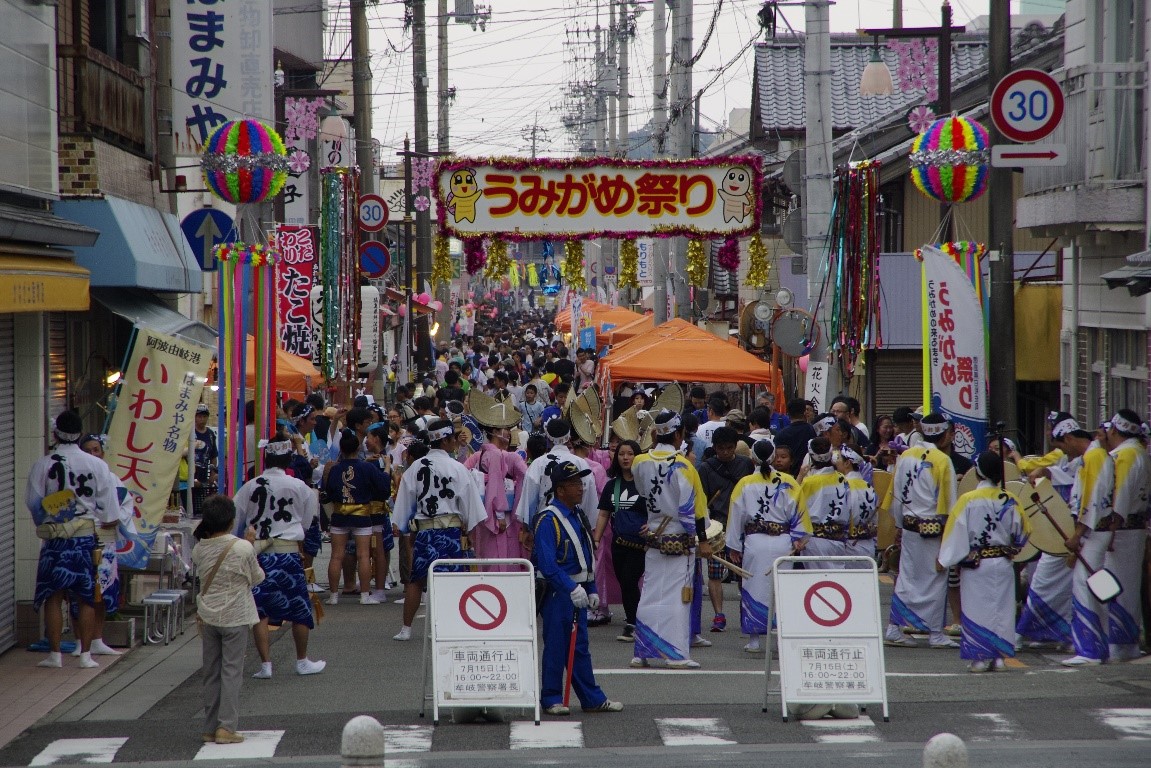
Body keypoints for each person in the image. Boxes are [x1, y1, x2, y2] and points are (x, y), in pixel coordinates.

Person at [25, 412, 121, 669]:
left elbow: (33, 503)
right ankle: (86, 655)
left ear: (55, 434)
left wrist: (46, 521)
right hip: (85, 536)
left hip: (55, 537)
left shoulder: (44, 464)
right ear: (80, 434)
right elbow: (110, 510)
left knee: (53, 596)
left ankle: (55, 654)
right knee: (87, 596)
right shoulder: (97, 465)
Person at [533, 460, 623, 715]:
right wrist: (571, 587)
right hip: (557, 592)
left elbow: (586, 555)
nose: (581, 488)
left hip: (578, 588)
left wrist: (592, 587)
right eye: (574, 484)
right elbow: (548, 564)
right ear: (560, 490)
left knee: (579, 645)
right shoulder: (547, 519)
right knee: (556, 645)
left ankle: (591, 698)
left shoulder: (577, 515)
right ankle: (551, 698)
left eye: (580, 483)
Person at [233, 431, 326, 678]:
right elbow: (306, 524)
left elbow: (236, 521)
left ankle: (266, 665)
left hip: (258, 554)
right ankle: (302, 660)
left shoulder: (249, 486)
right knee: (298, 606)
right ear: (288, 460)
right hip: (287, 553)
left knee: (260, 609)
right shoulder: (299, 487)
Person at [630, 410, 713, 669]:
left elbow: (644, 493)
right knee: (679, 595)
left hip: (654, 533)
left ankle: (642, 651)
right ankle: (676, 653)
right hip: (679, 534)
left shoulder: (640, 461)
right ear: (678, 435)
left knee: (651, 592)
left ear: (657, 434)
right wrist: (702, 540)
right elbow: (694, 511)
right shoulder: (684, 466)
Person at [391, 420, 486, 641]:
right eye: (453, 439)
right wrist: (469, 533)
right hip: (450, 531)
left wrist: (409, 532)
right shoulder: (457, 468)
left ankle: (406, 629)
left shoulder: (415, 467)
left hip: (424, 530)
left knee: (417, 579)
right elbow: (471, 506)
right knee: (451, 579)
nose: (455, 443)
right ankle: (447, 625)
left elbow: (404, 508)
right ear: (445, 439)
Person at [937, 452, 1030, 673]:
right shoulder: (1010, 499)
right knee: (1001, 609)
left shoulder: (967, 500)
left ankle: (979, 659)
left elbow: (955, 533)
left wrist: (946, 559)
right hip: (1003, 563)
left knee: (976, 609)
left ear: (978, 473)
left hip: (976, 564)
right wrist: (1012, 549)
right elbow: (1025, 530)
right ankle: (999, 658)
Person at [192, 495, 265, 744]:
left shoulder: (199, 548)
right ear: (231, 521)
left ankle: (210, 726)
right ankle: (227, 727)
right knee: (231, 671)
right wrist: (252, 543)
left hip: (208, 615)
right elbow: (257, 577)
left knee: (211, 671)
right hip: (235, 615)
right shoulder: (243, 547)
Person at [725, 439, 809, 653]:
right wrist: (799, 538)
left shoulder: (745, 483)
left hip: (755, 541)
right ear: (773, 457)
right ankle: (781, 640)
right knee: (781, 589)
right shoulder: (790, 481)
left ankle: (754, 640)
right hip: (783, 541)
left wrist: (733, 545)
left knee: (753, 587)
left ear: (752, 457)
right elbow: (799, 512)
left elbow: (736, 515)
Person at [884, 412, 959, 649]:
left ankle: (894, 627)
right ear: (945, 434)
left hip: (909, 526)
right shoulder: (942, 461)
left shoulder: (905, 456)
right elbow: (949, 504)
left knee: (907, 578)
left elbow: (896, 494)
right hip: (933, 528)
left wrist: (898, 525)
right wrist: (951, 536)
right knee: (936, 578)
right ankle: (935, 632)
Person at [1057, 416, 1116, 666]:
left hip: (1093, 532)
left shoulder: (1094, 458)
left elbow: (1091, 501)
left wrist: (1077, 535)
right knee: (1091, 584)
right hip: (1097, 531)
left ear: (1070, 439)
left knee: (1084, 585)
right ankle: (1098, 645)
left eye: (1062, 445)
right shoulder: (1095, 457)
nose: (1063, 451)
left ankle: (1089, 649)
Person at [1102, 410, 1150, 661]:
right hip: (1135, 529)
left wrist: (1110, 531)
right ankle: (1128, 642)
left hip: (1121, 531)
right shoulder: (1140, 452)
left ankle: (1118, 644)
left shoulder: (1126, 455)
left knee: (1115, 586)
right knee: (1128, 587)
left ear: (1114, 430)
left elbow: (1119, 494)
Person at [322, 430, 391, 605]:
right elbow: (383, 489)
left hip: (339, 515)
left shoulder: (335, 468)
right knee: (363, 555)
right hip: (362, 515)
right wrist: (388, 468)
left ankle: (333, 596)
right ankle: (365, 596)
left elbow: (328, 493)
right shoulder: (367, 467)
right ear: (358, 447)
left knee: (336, 556)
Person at [696, 427, 754, 633]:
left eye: (730, 448)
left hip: (741, 527)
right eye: (721, 449)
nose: (726, 452)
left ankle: (746, 613)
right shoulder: (706, 468)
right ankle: (718, 614)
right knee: (714, 574)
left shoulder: (746, 464)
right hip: (717, 526)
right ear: (714, 448)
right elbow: (701, 500)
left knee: (743, 573)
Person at [593, 440, 646, 642]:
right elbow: (604, 514)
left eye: (630, 454)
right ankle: (636, 620)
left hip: (641, 545)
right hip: (619, 544)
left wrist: (652, 525)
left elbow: (658, 509)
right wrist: (596, 539)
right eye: (622, 454)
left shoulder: (646, 483)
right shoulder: (611, 485)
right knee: (625, 583)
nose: (625, 458)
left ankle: (633, 623)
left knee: (630, 580)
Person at [464, 423, 528, 571]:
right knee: (504, 560)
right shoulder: (507, 456)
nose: (509, 433)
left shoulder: (478, 456)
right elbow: (527, 477)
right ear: (494, 431)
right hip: (501, 516)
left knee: (486, 556)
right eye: (506, 429)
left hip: (482, 512)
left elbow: (463, 475)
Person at [796, 437, 850, 569]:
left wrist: (800, 477)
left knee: (817, 583)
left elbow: (793, 504)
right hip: (838, 539)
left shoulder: (809, 482)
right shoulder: (843, 479)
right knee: (836, 584)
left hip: (815, 541)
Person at [835, 446, 878, 565]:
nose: (836, 460)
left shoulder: (843, 486)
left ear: (847, 463)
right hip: (868, 544)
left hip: (848, 545)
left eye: (838, 457)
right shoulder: (868, 487)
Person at [775, 398, 816, 474]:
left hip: (786, 474)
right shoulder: (811, 430)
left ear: (788, 413)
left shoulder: (781, 434)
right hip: (808, 473)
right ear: (804, 412)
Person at [192, 404, 219, 515]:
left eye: (204, 416)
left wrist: (213, 474)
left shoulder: (211, 434)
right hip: (191, 474)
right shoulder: (190, 433)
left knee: (203, 507)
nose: (201, 419)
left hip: (204, 476)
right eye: (199, 416)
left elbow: (213, 456)